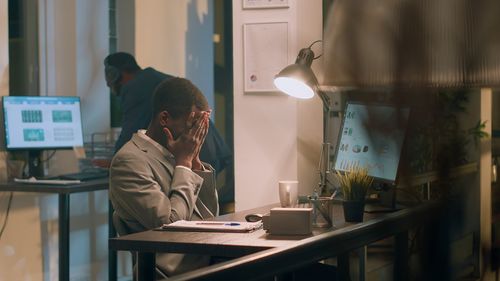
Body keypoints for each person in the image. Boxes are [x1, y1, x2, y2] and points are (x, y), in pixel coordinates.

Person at [109, 77, 219, 277]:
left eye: (200, 126)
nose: (196, 134)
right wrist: (184, 163)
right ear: (164, 119)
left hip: (204, 257)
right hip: (174, 271)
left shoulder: (175, 152)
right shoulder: (130, 161)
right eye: (192, 124)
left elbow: (210, 216)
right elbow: (172, 225)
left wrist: (194, 163)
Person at [103, 52, 231, 174]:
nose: (108, 84)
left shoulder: (134, 87)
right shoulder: (150, 77)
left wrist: (117, 160)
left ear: (114, 74)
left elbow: (129, 132)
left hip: (193, 151)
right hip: (209, 146)